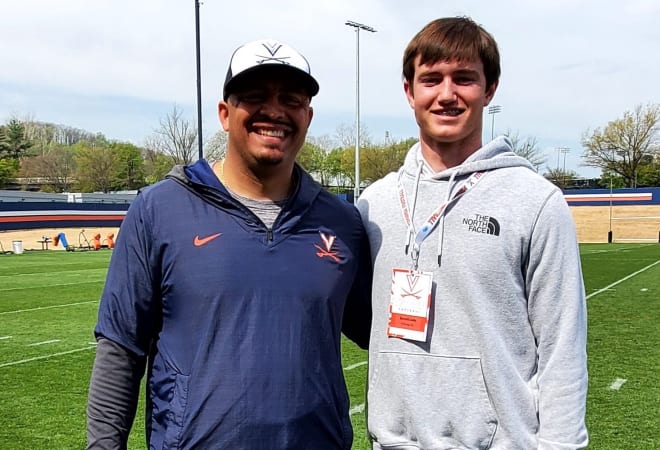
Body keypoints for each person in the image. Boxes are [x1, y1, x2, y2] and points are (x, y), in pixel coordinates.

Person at [87, 38, 372, 450]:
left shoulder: (342, 222)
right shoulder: (159, 209)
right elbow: (120, 348)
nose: (274, 111)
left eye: (290, 99)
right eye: (255, 97)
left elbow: (380, 335)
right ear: (224, 113)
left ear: (308, 116)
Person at [357, 17, 588, 449]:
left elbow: (562, 347)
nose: (447, 94)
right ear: (409, 91)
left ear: (490, 88)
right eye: (431, 79)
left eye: (464, 78)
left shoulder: (535, 201)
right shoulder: (375, 203)